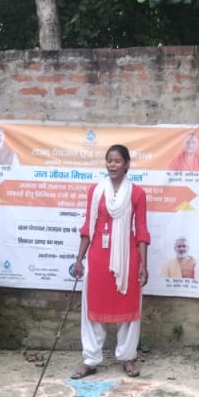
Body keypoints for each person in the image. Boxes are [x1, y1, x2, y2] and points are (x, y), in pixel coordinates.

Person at [70, 145, 150, 379]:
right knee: (93, 308)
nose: (112, 165)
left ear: (127, 164)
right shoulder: (95, 191)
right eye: (109, 161)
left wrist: (143, 264)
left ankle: (128, 357)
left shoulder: (137, 194)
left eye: (117, 161)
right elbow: (88, 227)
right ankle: (90, 360)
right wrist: (79, 259)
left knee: (129, 309)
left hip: (128, 259)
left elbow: (142, 231)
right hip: (98, 257)